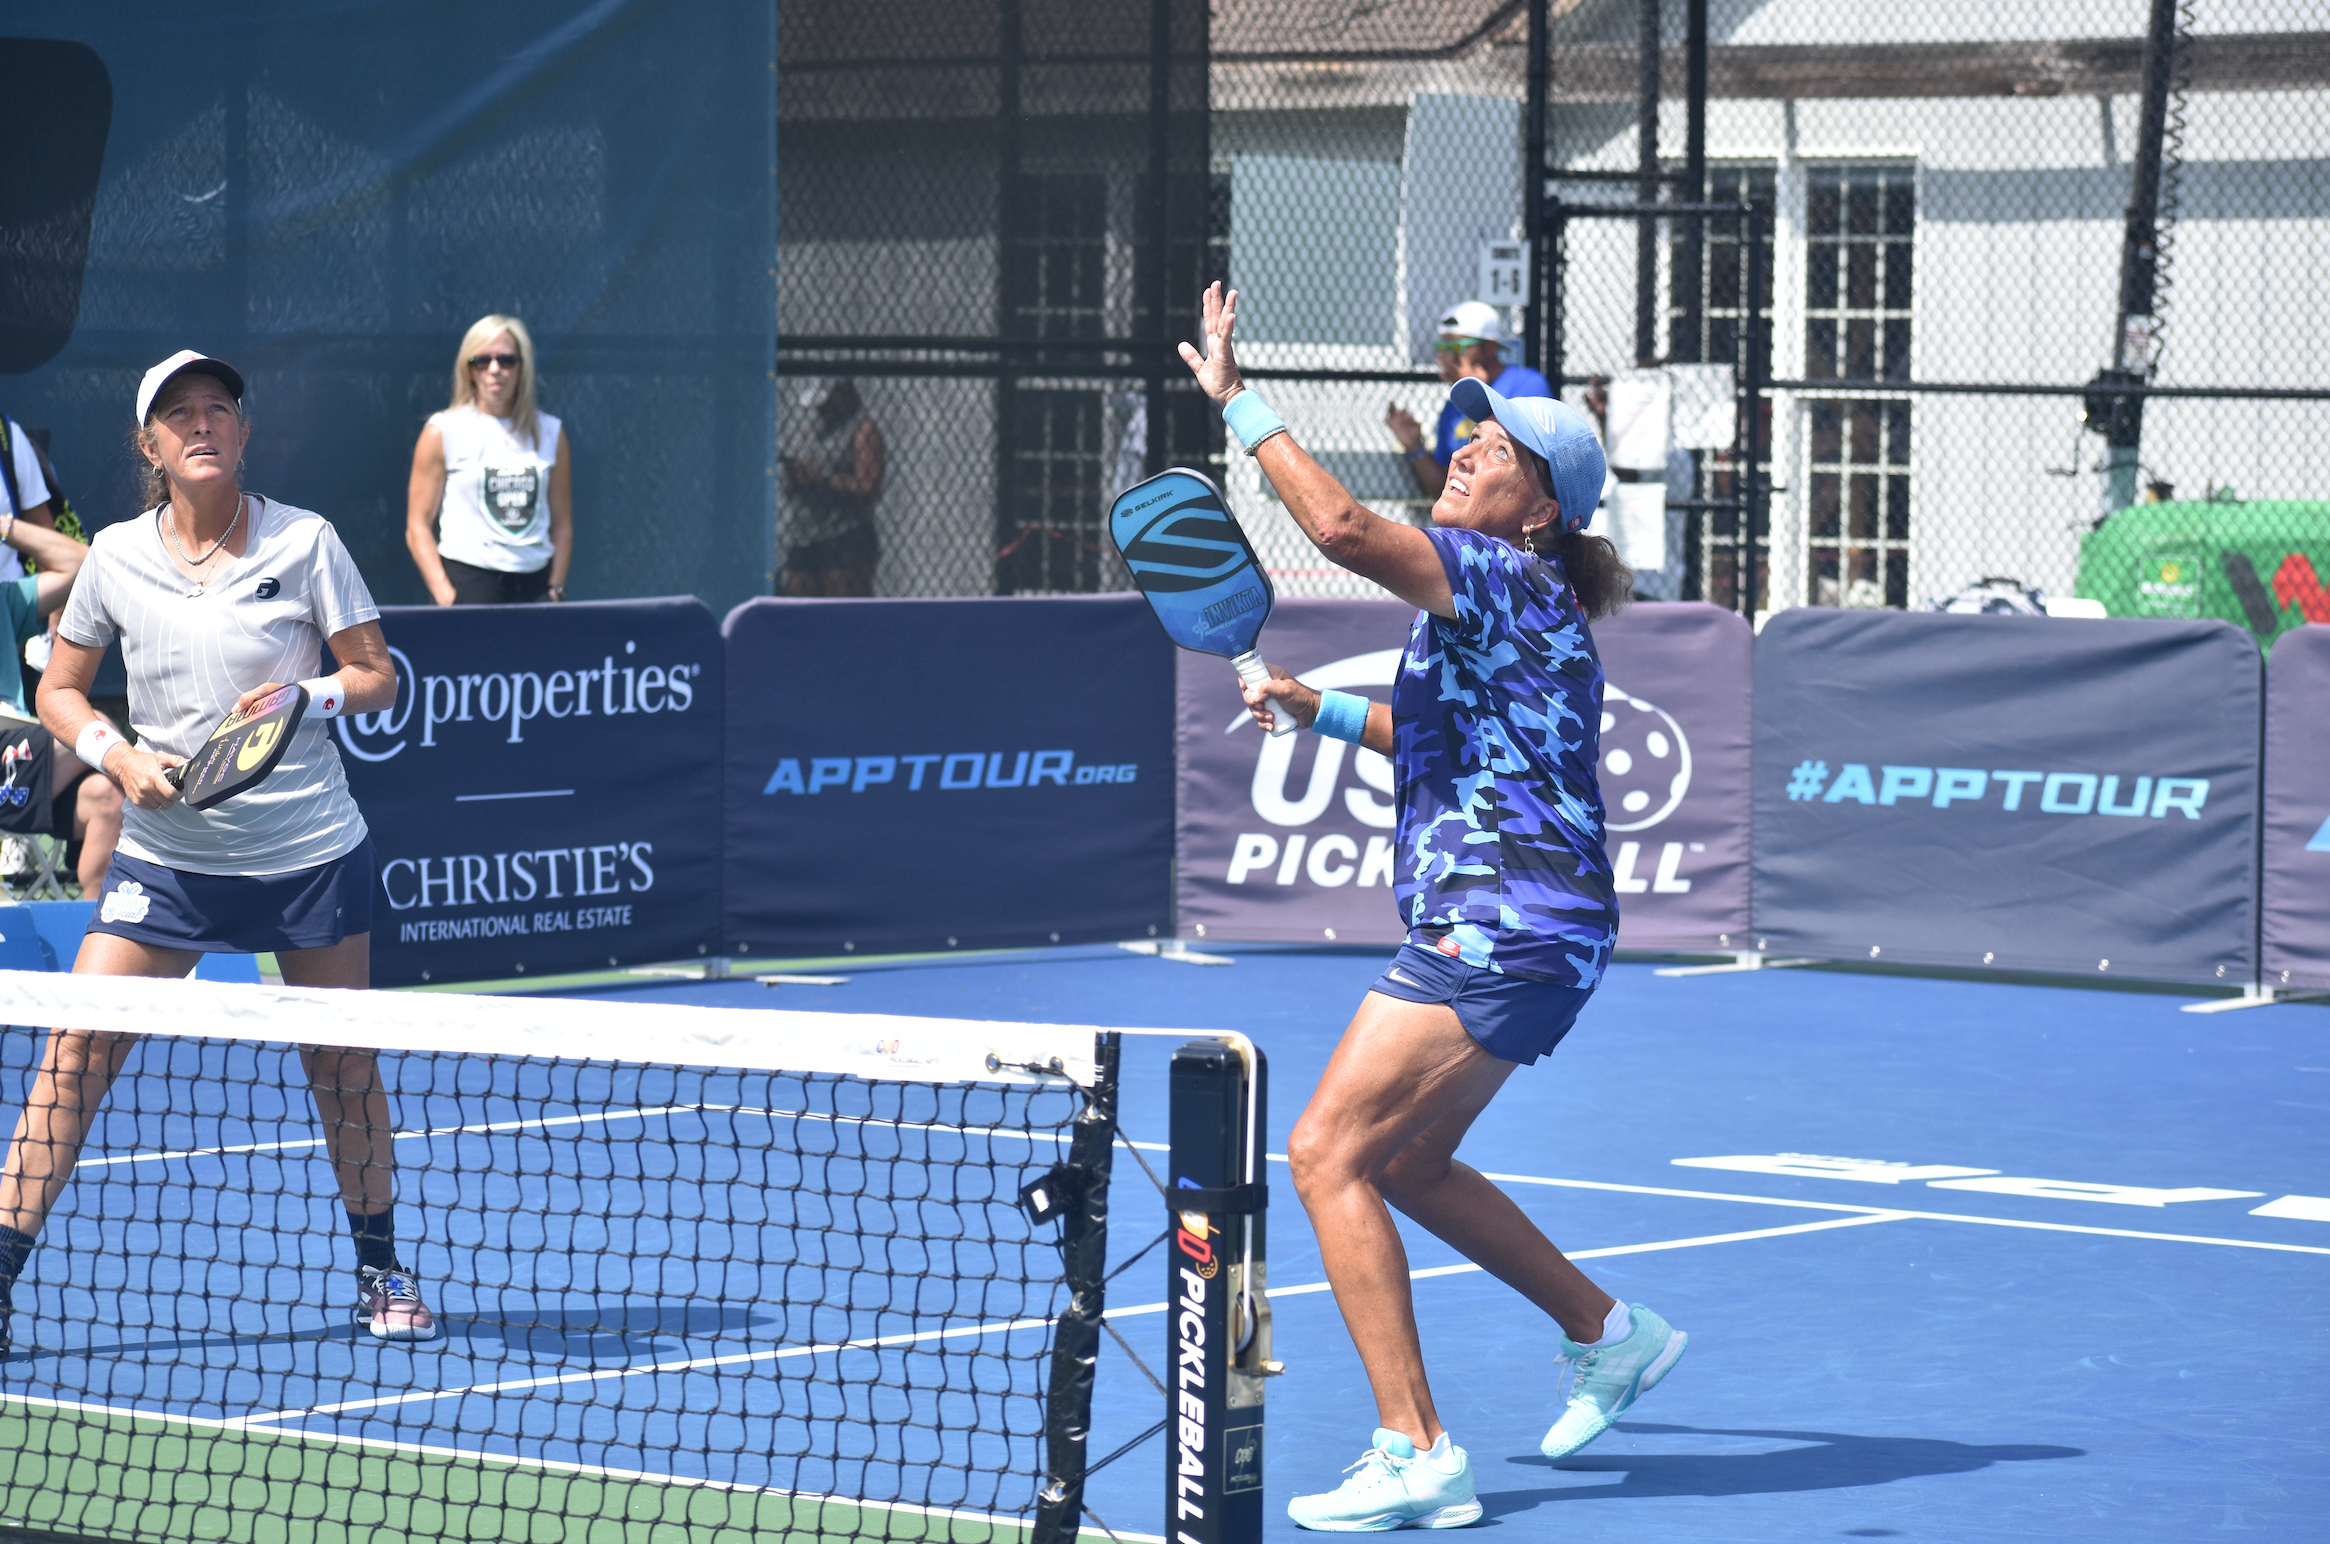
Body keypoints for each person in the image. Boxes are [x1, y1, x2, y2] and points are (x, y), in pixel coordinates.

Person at [1178, 284, 1685, 1530]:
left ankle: (1415, 1448)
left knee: (1321, 1152)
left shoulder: (1500, 571)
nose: (1465, 446)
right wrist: (1316, 709)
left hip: (1496, 920)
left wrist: (1241, 401)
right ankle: (1604, 1331)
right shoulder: (1528, 605)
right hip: (1542, 929)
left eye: (1495, 446)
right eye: (1464, 432)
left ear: (1541, 508)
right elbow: (1440, 737)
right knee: (1402, 1159)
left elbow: (1344, 526)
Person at [0, 351, 434, 1355]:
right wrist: (113, 750)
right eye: (178, 414)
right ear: (150, 446)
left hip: (309, 852)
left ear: (242, 434)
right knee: (77, 1048)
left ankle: (380, 1266)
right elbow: (62, 691)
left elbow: (376, 676)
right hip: (167, 860)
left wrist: (306, 694)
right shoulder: (111, 555)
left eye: (218, 410)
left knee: (340, 1061)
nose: (201, 424)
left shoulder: (306, 541)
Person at [0, 502, 124, 899]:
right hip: (19, 753)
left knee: (105, 799)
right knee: (98, 729)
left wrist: (5, 525)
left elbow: (82, 563)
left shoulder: (6, 599)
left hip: (19, 747)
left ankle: (97, 935)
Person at [406, 314, 572, 605]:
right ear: (468, 369)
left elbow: (562, 524)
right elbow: (417, 525)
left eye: (507, 360)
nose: (494, 370)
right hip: (468, 582)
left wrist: (555, 589)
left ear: (522, 368)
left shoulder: (551, 432)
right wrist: (446, 595)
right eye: (482, 360)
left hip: (535, 585)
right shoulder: (442, 432)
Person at [1385, 300, 1554, 501]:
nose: (1445, 356)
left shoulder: (1528, 384)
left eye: (1456, 347)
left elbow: (1518, 467)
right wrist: (1415, 446)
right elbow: (1442, 489)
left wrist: (1479, 393)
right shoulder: (1452, 407)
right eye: (1441, 346)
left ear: (1490, 348)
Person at [782, 379, 885, 596]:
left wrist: (825, 480)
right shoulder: (812, 430)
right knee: (798, 613)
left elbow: (869, 487)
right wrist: (795, 477)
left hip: (843, 537)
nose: (820, 409)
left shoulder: (862, 430)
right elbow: (791, 487)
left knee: (844, 614)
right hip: (805, 535)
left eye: (826, 402)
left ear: (842, 393)